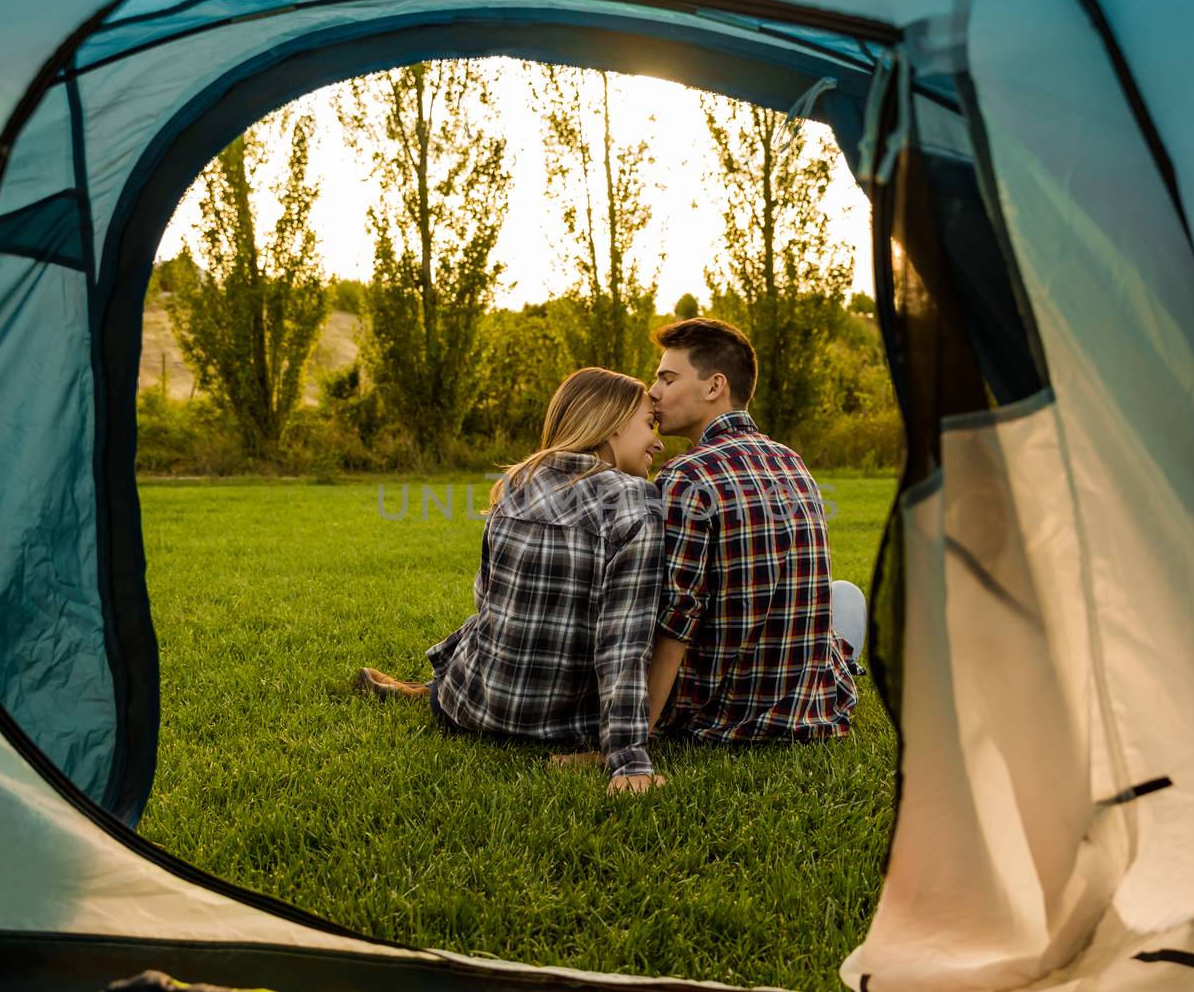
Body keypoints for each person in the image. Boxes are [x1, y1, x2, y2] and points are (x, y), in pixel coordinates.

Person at [356, 367, 669, 793]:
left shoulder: (517, 480)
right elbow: (623, 643)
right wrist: (628, 760)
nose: (658, 439)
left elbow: (487, 597)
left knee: (485, 625)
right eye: (649, 424)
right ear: (612, 424)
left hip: (471, 707)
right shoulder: (636, 501)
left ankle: (427, 690)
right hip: (562, 724)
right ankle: (423, 688)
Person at [643, 317, 857, 742]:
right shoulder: (791, 460)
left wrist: (635, 732)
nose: (653, 391)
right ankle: (841, 653)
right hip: (804, 705)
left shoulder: (685, 476)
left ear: (713, 386)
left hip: (716, 712)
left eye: (667, 378)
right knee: (836, 598)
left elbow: (675, 617)